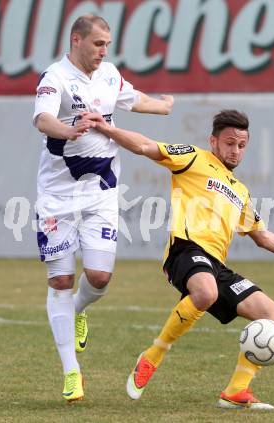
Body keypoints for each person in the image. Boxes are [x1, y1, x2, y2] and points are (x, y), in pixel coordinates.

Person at [84, 109, 274, 410]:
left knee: (273, 316)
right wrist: (106, 129)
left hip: (216, 265)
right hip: (186, 250)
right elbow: (145, 146)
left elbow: (263, 236)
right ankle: (153, 355)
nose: (236, 150)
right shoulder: (193, 158)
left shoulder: (240, 192)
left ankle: (235, 391)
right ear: (214, 141)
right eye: (230, 143)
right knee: (205, 292)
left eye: (242, 145)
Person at [33, 14, 174, 402]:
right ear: (76, 40)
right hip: (56, 198)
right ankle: (71, 373)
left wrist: (162, 106)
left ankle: (79, 310)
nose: (104, 51)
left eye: (107, 44)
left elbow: (133, 99)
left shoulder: (109, 75)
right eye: (98, 43)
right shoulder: (54, 77)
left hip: (101, 194)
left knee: (98, 277)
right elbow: (43, 119)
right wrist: (70, 129)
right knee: (60, 280)